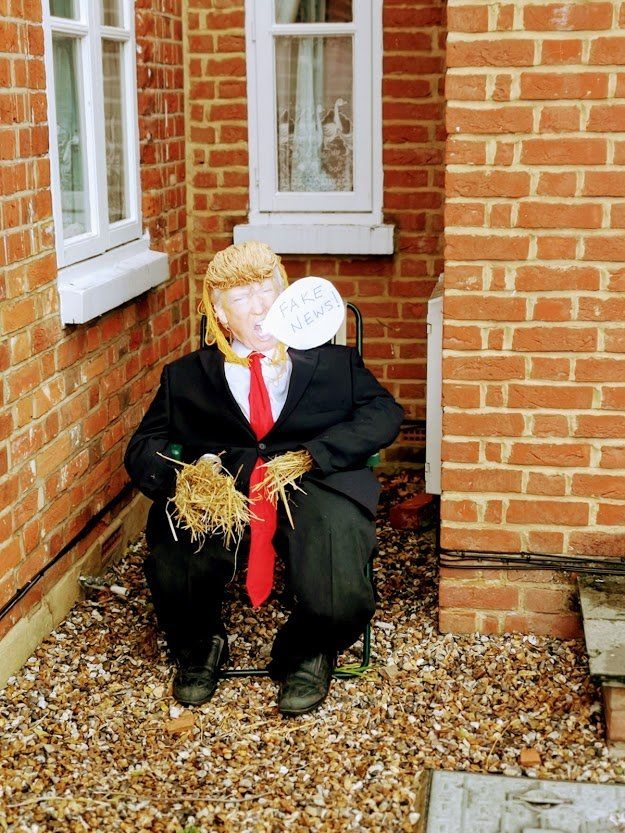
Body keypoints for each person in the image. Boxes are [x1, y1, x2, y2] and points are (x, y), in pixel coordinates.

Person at [124, 241, 404, 715]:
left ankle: (308, 648)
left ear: (286, 293)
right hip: (225, 482)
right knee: (177, 547)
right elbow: (142, 447)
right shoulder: (187, 378)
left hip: (310, 479)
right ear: (220, 312)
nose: (260, 306)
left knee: (338, 566)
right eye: (242, 296)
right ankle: (200, 643)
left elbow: (384, 415)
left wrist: (317, 454)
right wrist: (188, 478)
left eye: (267, 289)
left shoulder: (333, 364)